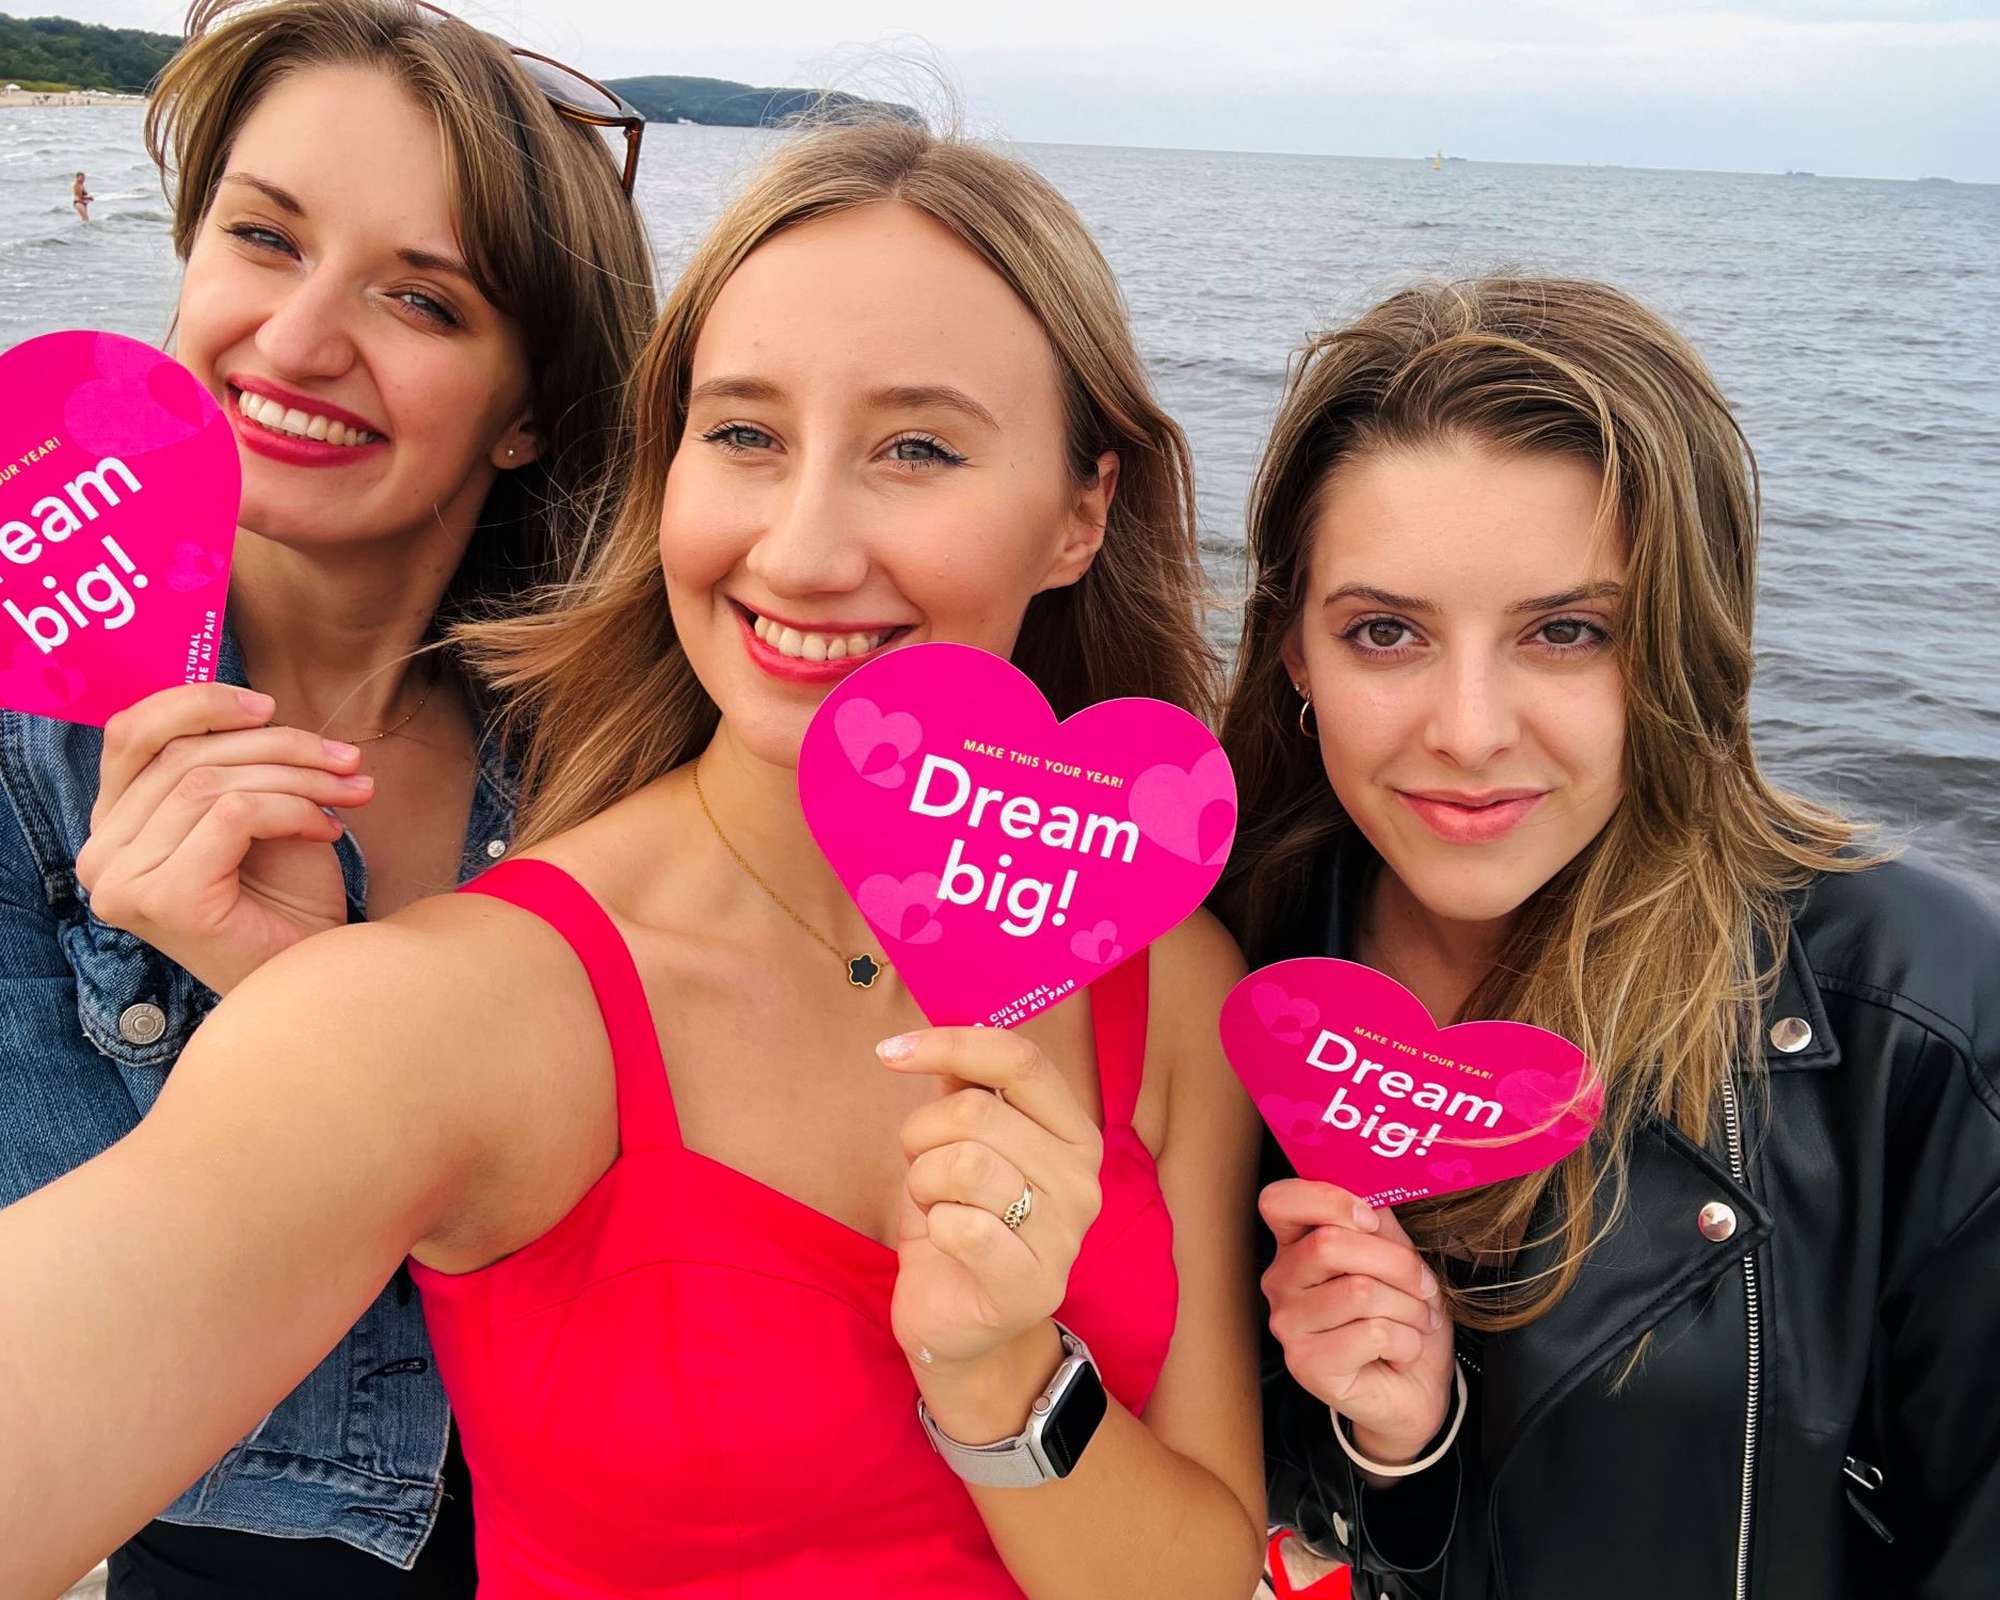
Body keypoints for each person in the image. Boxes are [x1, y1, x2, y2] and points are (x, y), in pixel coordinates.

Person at [0, 117, 1269, 1599]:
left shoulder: (1170, 981)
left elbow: (1195, 1566)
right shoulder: (475, 1005)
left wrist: (1003, 1377)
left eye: (916, 448)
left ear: (1081, 511)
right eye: (743, 435)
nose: (799, 553)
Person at [0, 0, 654, 1594]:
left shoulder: (629, 744)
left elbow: (679, 1284)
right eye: (262, 238)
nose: (294, 344)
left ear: (530, 412)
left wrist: (300, 991)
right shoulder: (26, 751)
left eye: (421, 299)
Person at [1214, 276, 2000, 1597]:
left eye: (1568, 633)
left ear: (1683, 646)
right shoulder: (1208, 962)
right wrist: (1402, 1460)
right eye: (1386, 631)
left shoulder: (1916, 1023)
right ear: (1296, 650)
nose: (1468, 730)